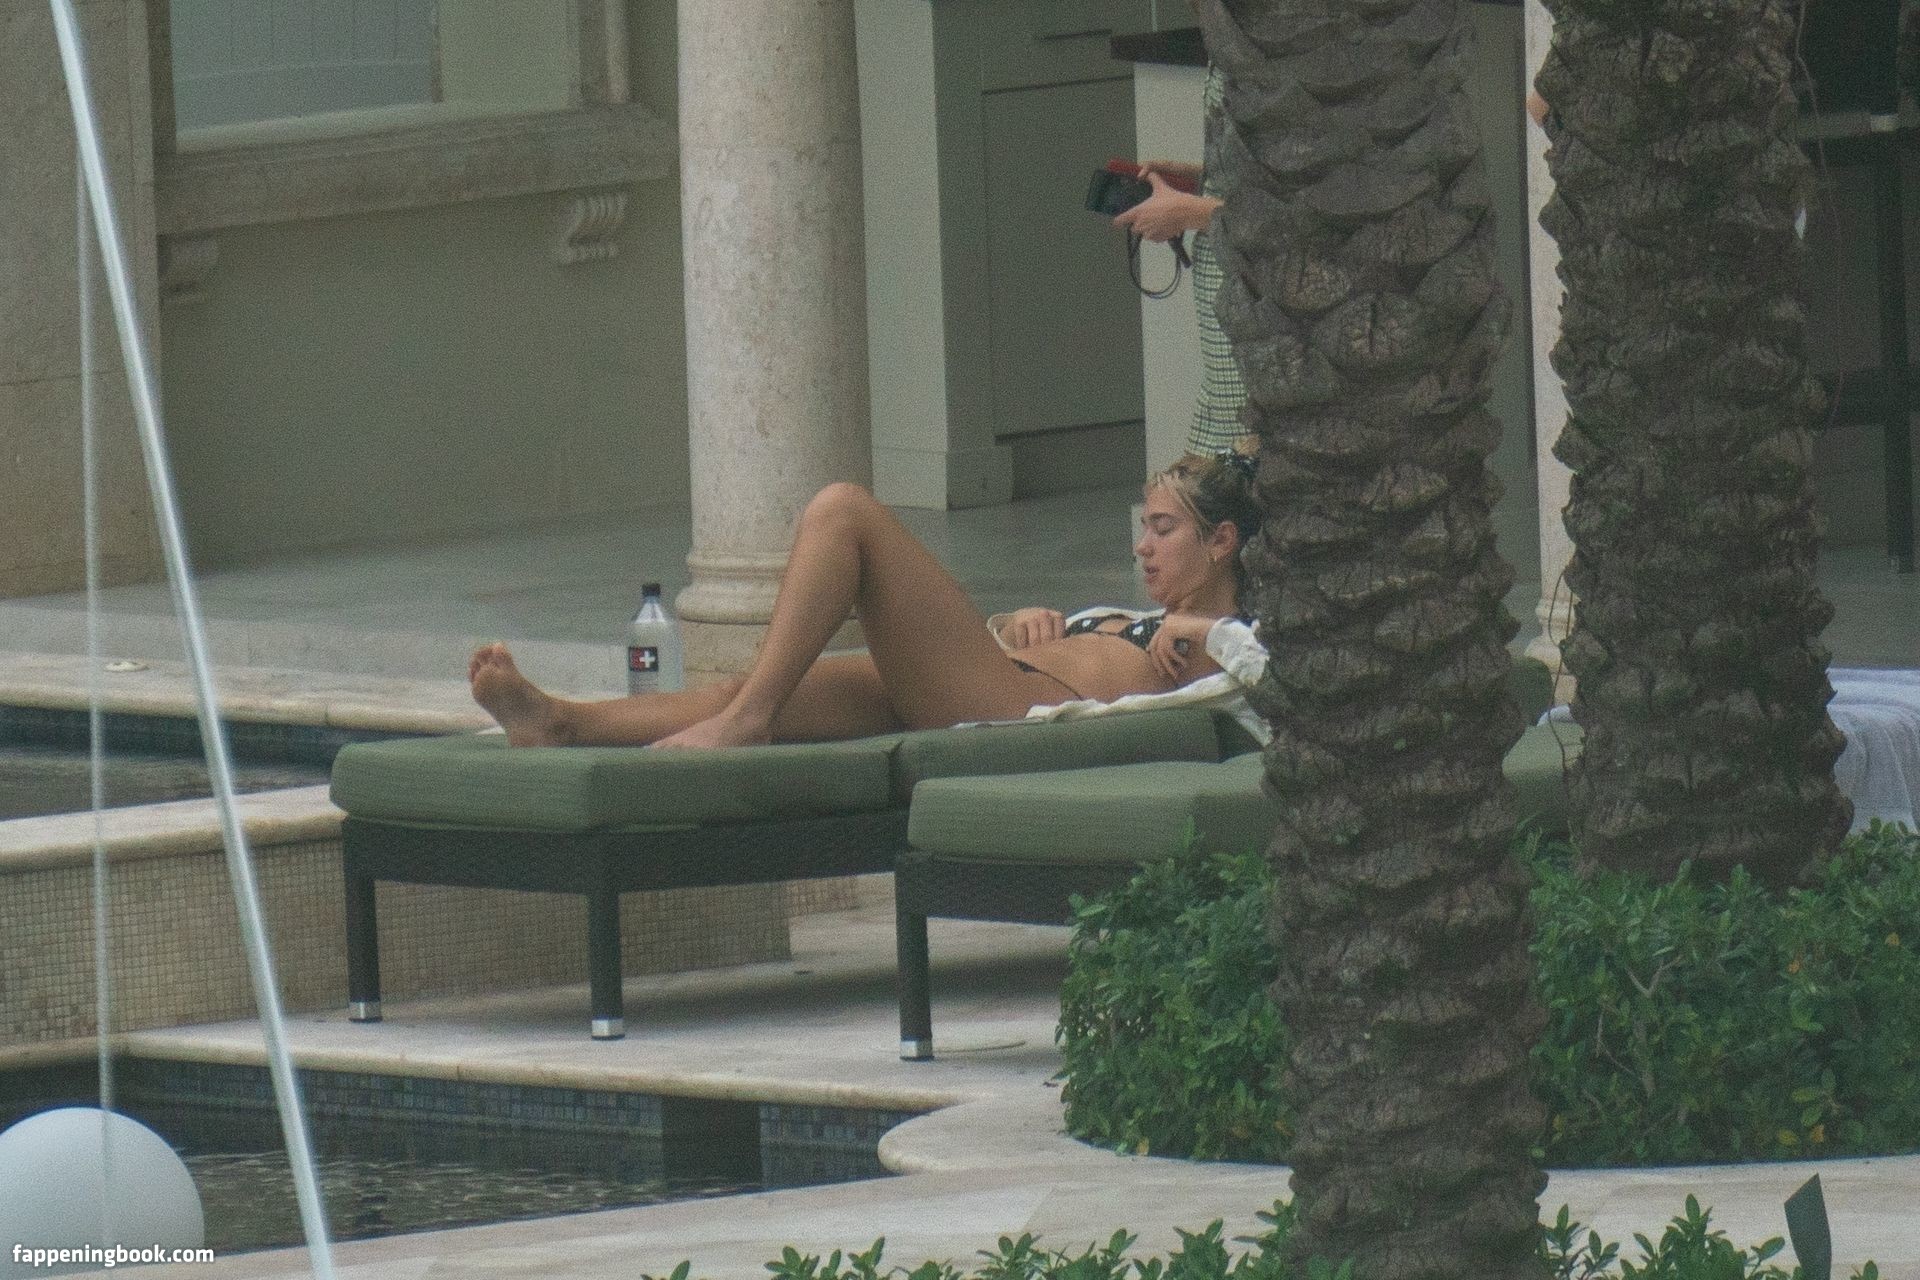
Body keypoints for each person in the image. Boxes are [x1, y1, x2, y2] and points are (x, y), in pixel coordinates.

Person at [468, 453, 1264, 751]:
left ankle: (745, 723)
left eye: (1163, 530)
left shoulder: (1231, 635)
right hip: (987, 676)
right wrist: (1020, 622)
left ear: (1221, 541)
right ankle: (561, 722)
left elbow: (1265, 677)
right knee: (755, 689)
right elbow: (1044, 644)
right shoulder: (1147, 621)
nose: (1143, 547)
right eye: (1143, 529)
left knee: (843, 512)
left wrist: (1205, 629)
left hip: (1014, 708)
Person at [1114, 63, 1251, 459]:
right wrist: (1196, 182)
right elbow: (1257, 180)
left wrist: (1189, 212)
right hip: (1223, 334)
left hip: (1257, 320)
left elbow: (1299, 211)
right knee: (1198, 475)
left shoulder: (1267, 54)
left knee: (1236, 469)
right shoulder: (1227, 53)